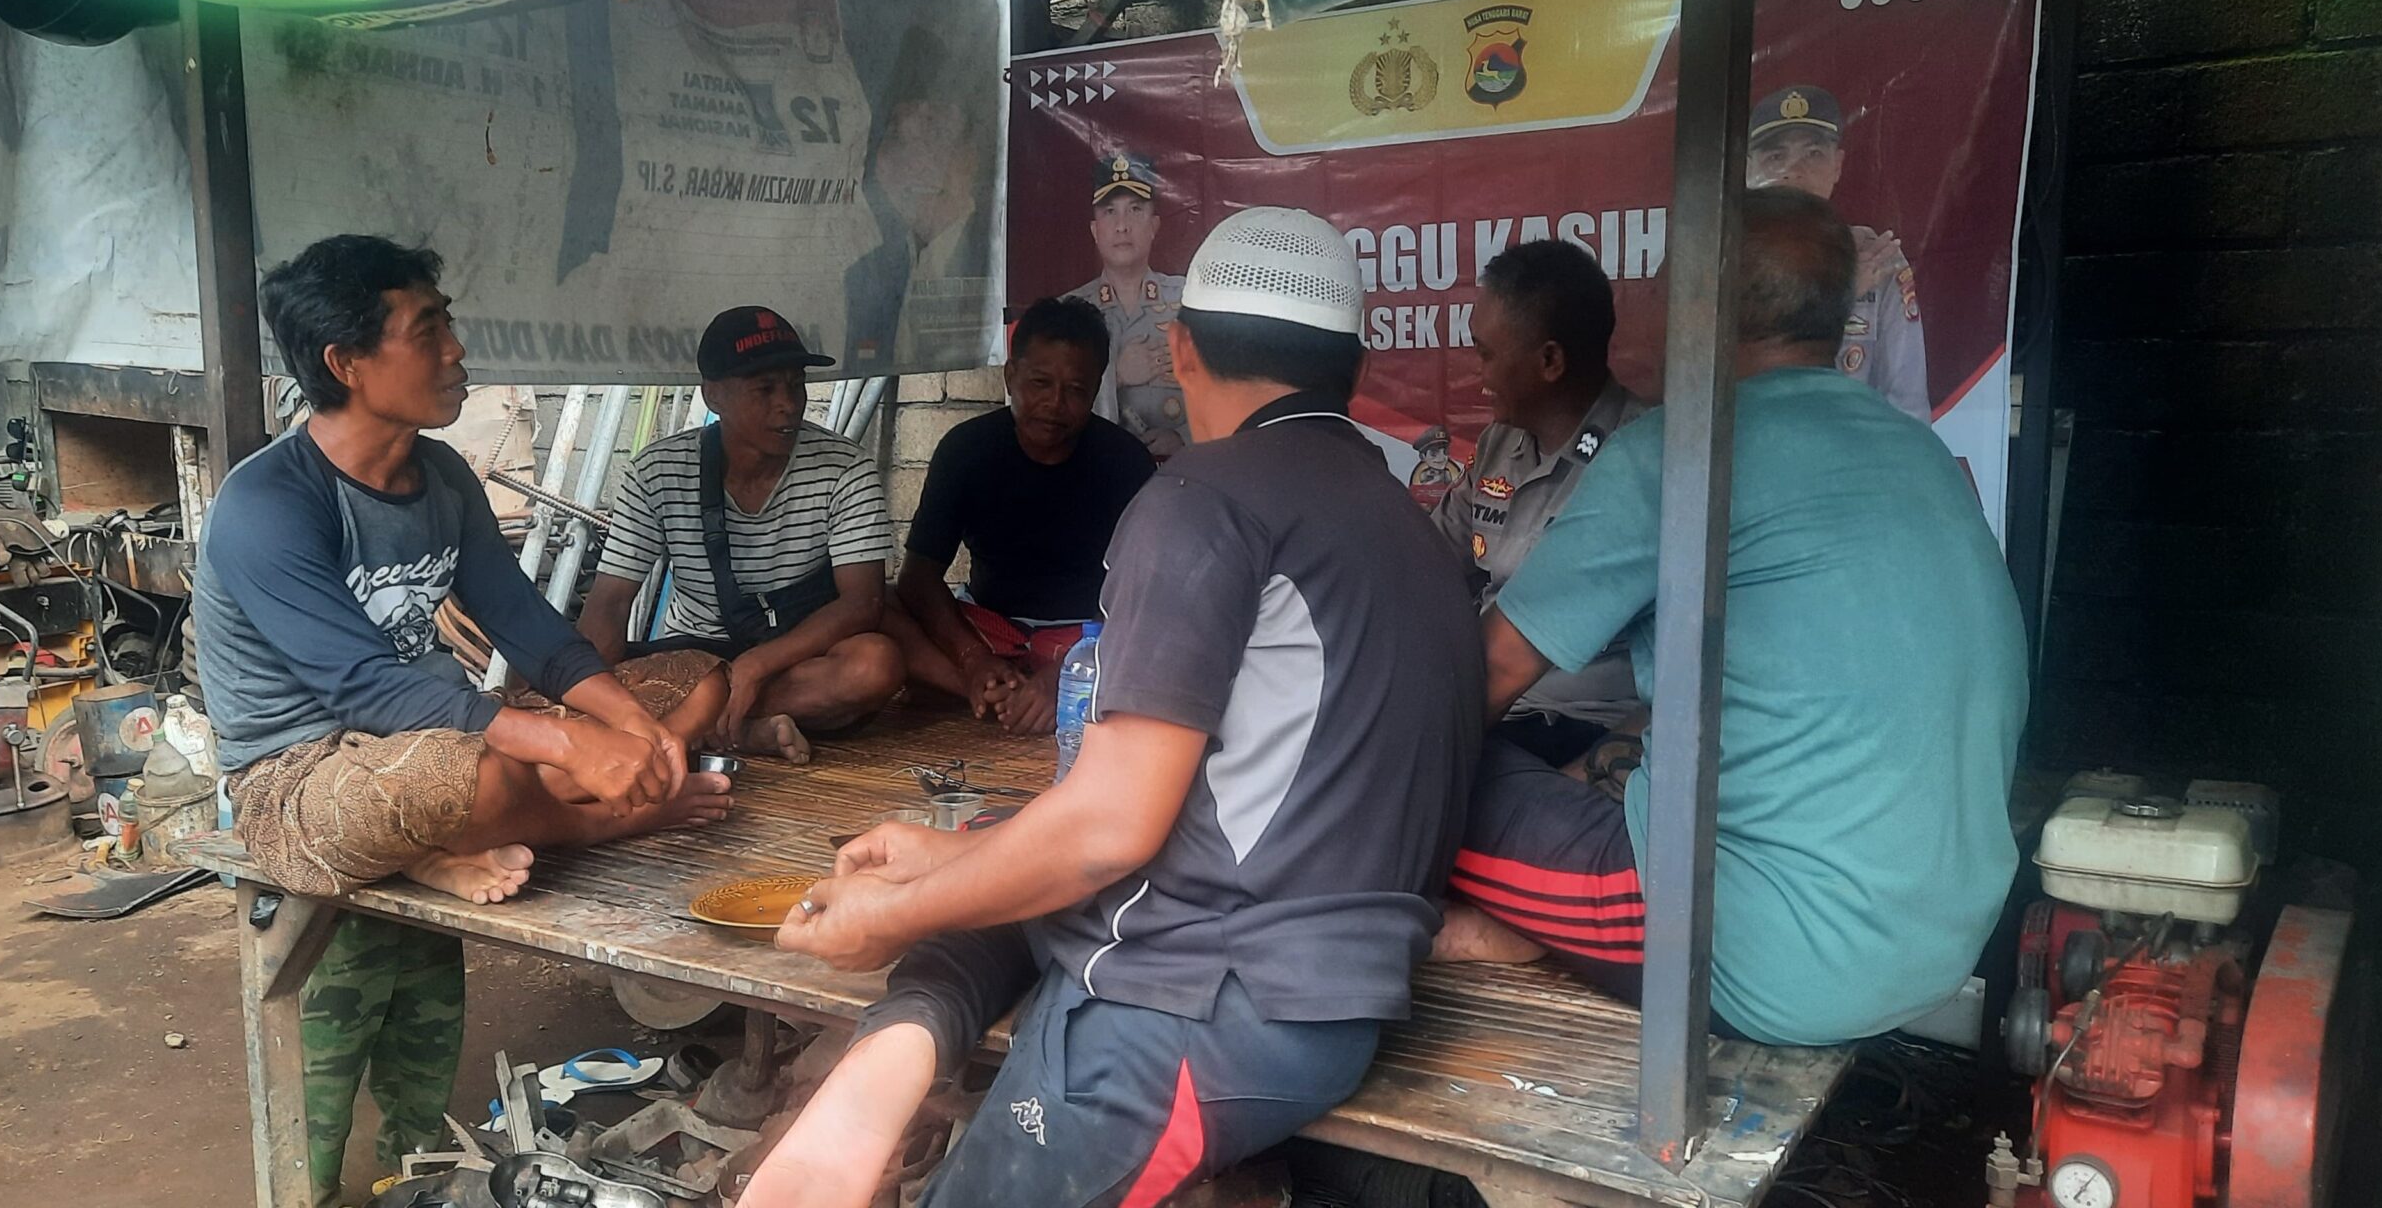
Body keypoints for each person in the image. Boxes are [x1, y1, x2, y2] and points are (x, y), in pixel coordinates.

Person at [742, 208, 1485, 1208]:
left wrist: (890, 916)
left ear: (1176, 350)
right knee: (998, 877)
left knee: (1001, 925)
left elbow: (1110, 828)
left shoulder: (1203, 498)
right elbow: (1207, 807)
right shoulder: (1408, 520)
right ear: (1351, 367)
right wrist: (944, 855)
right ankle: (878, 1079)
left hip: (1193, 1005)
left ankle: (875, 1083)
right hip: (1300, 976)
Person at [193, 235, 732, 1205]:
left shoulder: (440, 477)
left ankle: (505, 822)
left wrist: (630, 727)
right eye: (428, 329)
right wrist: (575, 748)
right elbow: (365, 690)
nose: (457, 351)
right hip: (300, 777)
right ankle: (606, 813)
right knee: (459, 776)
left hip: (430, 740)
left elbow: (528, 625)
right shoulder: (265, 504)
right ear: (346, 364)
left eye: (448, 324)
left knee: (696, 682)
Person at [1434, 189, 2027, 1049]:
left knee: (1420, 782)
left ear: (1700, 308)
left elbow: (1486, 677)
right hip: (1938, 939)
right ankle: (1537, 928)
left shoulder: (1681, 451)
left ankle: (1539, 927)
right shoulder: (1916, 450)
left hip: (1772, 959)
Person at [579, 305, 905, 759]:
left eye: (796, 385)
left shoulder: (845, 467)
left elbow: (863, 602)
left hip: (789, 658)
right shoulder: (655, 472)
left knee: (875, 665)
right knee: (557, 669)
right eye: (764, 389)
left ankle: (693, 725)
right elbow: (610, 602)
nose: (787, 404)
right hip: (691, 658)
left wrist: (758, 664)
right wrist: (591, 685)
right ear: (714, 396)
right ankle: (740, 730)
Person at [883, 297, 1155, 735]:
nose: (1054, 403)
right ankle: (984, 688)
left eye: (1075, 391)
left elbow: (1146, 597)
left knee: (1154, 641)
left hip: (1083, 636)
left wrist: (1068, 671)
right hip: (988, 628)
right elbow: (918, 576)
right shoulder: (966, 450)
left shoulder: (1126, 462)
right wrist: (972, 659)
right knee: (878, 603)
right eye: (1040, 383)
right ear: (1011, 377)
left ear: (1095, 389)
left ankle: (1024, 691)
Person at [1430, 237, 1649, 773]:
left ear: (1549, 360)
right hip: (1494, 712)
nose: (1477, 375)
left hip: (1581, 728)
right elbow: (1430, 561)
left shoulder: (1646, 457)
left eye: (1485, 354)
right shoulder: (1497, 447)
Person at [1746, 84, 1931, 420]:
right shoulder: (1722, 260)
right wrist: (1839, 296)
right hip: (1750, 450)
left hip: (1852, 457)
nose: (1795, 171)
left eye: (1813, 153)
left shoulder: (1876, 259)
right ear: (1748, 169)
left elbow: (1907, 403)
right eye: (1775, 156)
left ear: (1838, 165)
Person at [843, 25, 996, 372]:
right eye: (897, 136)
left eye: (937, 133)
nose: (916, 161)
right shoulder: (865, 274)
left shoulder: (998, 264)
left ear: (975, 153)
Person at [1066, 148, 1189, 457]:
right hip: (1094, 472)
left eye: (1135, 210)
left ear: (1154, 226)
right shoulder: (1068, 311)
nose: (1122, 226)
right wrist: (1116, 374)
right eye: (1110, 211)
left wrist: (1185, 439)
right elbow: (1050, 405)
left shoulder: (1190, 301)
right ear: (1095, 230)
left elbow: (1226, 388)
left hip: (1177, 475)